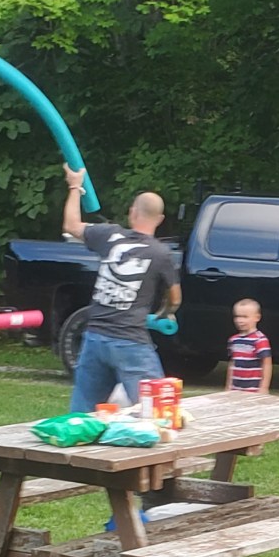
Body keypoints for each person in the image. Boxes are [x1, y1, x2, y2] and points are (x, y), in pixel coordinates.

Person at [62, 165, 181, 412]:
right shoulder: (161, 253)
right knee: (158, 410)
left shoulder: (109, 235)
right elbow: (175, 299)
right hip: (131, 343)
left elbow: (71, 225)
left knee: (82, 415)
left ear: (132, 213)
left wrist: (75, 185)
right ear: (160, 220)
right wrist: (163, 314)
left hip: (94, 338)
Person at [225, 299, 272, 393]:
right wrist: (228, 386)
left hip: (253, 389)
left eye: (245, 317)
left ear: (257, 317)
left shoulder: (260, 340)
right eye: (237, 316)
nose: (240, 320)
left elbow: (267, 364)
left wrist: (264, 387)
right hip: (235, 389)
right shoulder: (234, 340)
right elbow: (232, 363)